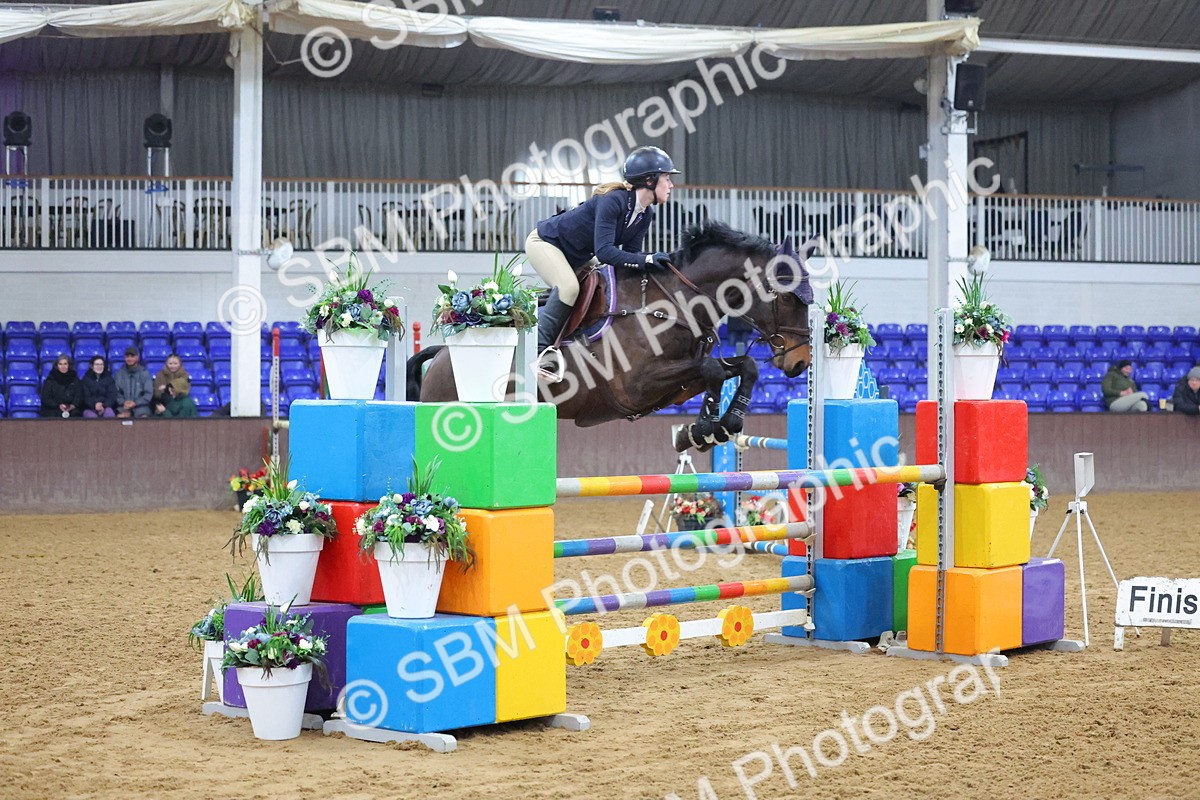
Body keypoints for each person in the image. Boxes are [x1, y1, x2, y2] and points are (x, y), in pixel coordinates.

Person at [526, 145, 679, 377]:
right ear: (649, 180)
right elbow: (606, 253)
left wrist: (654, 267)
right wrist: (648, 259)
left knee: (605, 284)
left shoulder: (645, 214)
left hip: (579, 254)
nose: (671, 185)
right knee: (568, 288)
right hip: (546, 243)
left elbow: (629, 258)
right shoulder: (614, 200)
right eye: (667, 178)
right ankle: (538, 353)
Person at [153, 353, 199, 417]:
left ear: (180, 364)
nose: (173, 366)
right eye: (170, 363)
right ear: (166, 364)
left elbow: (178, 422)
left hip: (179, 400)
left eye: (175, 363)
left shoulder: (185, 375)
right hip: (163, 401)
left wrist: (166, 388)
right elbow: (157, 392)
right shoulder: (160, 374)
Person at [114, 346, 153, 418]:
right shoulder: (119, 374)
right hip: (123, 407)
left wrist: (136, 403)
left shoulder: (145, 373)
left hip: (141, 407)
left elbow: (148, 393)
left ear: (137, 357)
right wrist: (123, 402)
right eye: (127, 356)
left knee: (144, 419)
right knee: (120, 418)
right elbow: (116, 393)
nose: (129, 359)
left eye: (132, 356)